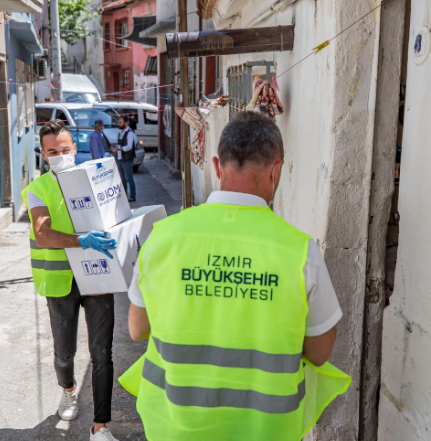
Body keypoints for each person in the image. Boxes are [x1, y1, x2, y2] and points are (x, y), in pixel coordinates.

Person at [120, 111, 351, 441]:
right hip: (266, 430)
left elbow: (137, 329)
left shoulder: (163, 237)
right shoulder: (301, 251)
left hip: (174, 425)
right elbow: (318, 353)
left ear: (216, 166)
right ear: (277, 170)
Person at [20, 119, 123, 441]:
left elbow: (118, 214)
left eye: (65, 149)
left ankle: (100, 426)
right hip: (61, 280)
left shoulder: (94, 180)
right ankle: (68, 389)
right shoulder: (38, 189)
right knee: (65, 352)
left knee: (101, 352)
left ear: (74, 148)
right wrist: (83, 240)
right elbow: (43, 233)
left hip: (97, 275)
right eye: (53, 151)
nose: (61, 155)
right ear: (43, 154)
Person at [110, 116, 137, 202]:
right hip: (120, 159)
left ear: (126, 123)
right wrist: (114, 148)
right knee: (122, 180)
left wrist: (118, 149)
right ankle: (125, 196)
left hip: (127, 159)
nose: (119, 124)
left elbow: (129, 147)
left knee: (129, 179)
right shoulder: (120, 133)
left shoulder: (130, 133)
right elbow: (120, 145)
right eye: (118, 122)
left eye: (120, 122)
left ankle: (132, 196)